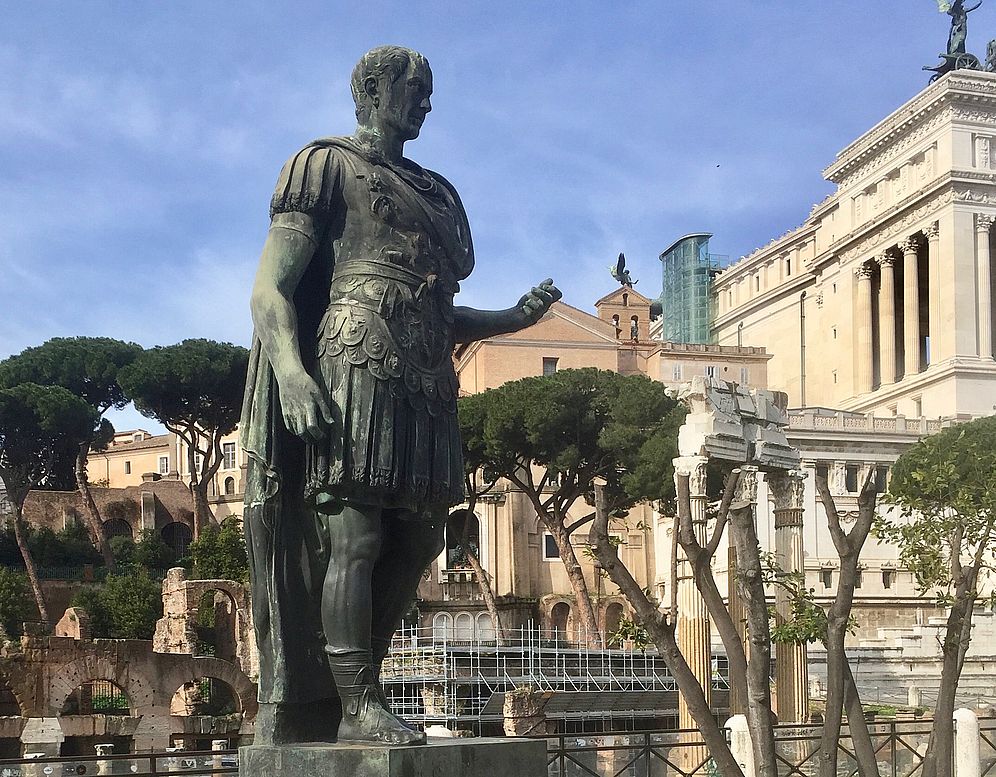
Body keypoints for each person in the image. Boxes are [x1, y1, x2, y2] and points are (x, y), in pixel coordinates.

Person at [241, 45, 561, 746]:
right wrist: (292, 374)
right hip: (351, 363)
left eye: (428, 91)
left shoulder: (439, 194)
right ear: (373, 89)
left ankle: (362, 685)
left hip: (422, 379)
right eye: (413, 90)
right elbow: (272, 287)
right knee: (354, 533)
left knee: (416, 535)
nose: (425, 102)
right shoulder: (322, 165)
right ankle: (355, 703)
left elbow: (443, 312)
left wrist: (512, 319)